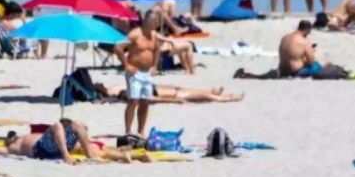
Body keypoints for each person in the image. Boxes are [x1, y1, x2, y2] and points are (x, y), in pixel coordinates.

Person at [114, 10, 161, 136]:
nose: (154, 23)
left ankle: (141, 131)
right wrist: (126, 65)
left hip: (147, 73)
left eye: (156, 21)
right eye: (152, 20)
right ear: (145, 20)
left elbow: (157, 50)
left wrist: (155, 66)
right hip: (134, 73)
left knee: (145, 102)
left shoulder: (154, 35)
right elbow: (118, 48)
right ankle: (128, 131)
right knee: (133, 101)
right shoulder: (135, 34)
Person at [233, 20, 323, 79]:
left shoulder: (285, 37)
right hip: (295, 72)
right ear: (307, 30)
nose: (308, 35)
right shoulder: (303, 41)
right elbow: (311, 62)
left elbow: (291, 54)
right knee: (319, 65)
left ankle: (246, 75)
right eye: (309, 33)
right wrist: (311, 52)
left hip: (282, 69)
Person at [0, 119, 99, 165]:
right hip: (41, 149)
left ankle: (89, 155)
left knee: (78, 124)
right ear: (8, 141)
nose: (12, 137)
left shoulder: (23, 137)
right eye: (10, 137)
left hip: (55, 146)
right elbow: (2, 150)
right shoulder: (14, 146)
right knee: (57, 125)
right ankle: (66, 156)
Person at [96, 83, 244, 104]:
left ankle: (211, 92)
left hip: (152, 87)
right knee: (182, 94)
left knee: (181, 90)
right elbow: (152, 99)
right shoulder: (116, 94)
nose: (102, 84)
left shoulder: (113, 89)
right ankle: (222, 98)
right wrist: (173, 101)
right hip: (152, 92)